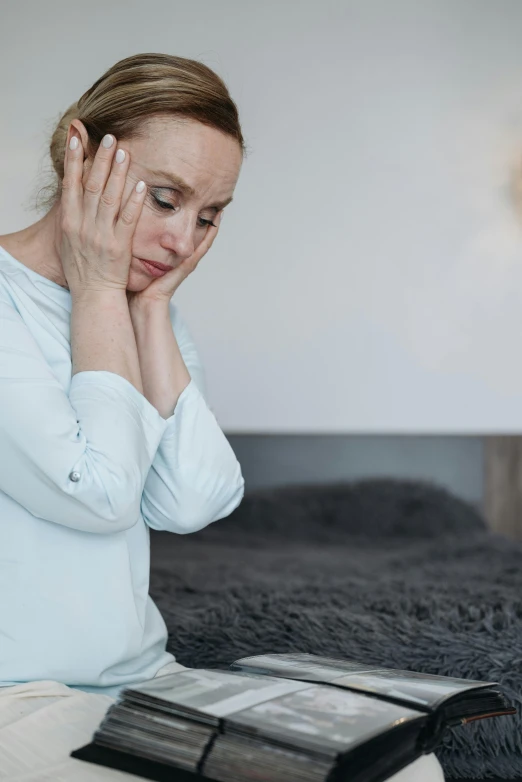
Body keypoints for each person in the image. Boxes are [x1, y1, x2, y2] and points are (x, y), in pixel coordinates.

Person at [0, 52, 445, 782]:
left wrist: (151, 311)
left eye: (209, 216)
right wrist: (101, 293)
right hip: (17, 694)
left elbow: (191, 502)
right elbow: (101, 491)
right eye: (165, 199)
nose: (182, 241)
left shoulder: (150, 314)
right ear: (78, 155)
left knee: (407, 768)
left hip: (147, 677)